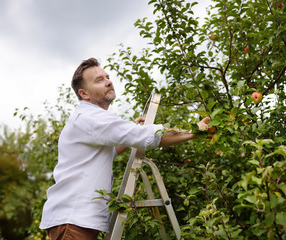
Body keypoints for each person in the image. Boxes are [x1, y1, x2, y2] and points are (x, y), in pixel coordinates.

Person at [39, 57, 210, 239]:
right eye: (99, 80)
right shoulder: (91, 117)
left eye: (107, 77)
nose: (108, 81)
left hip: (75, 218)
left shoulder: (88, 118)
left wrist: (131, 133)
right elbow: (148, 137)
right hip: (73, 221)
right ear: (84, 94)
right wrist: (194, 131)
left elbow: (106, 152)